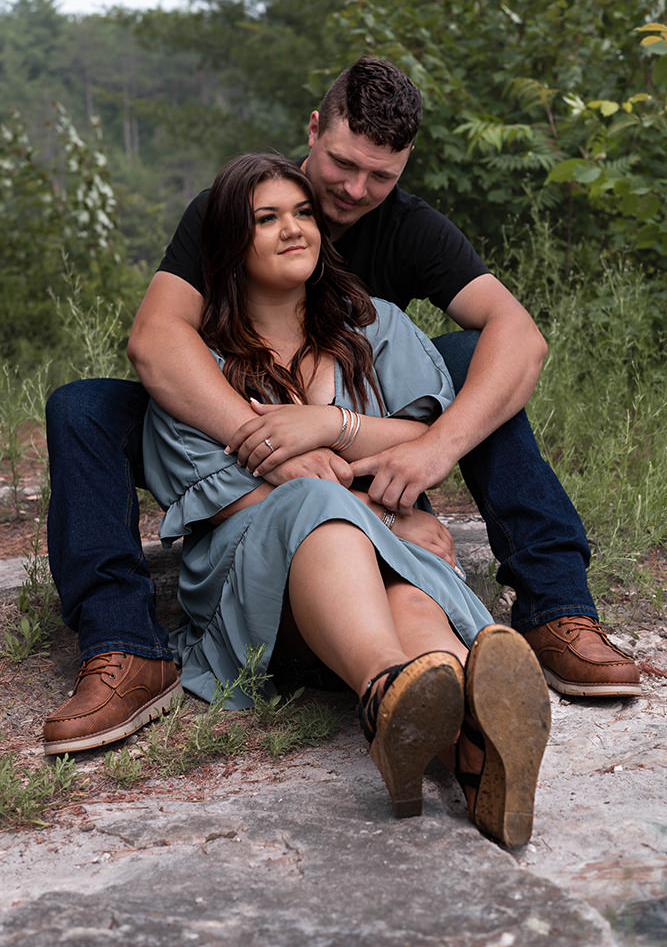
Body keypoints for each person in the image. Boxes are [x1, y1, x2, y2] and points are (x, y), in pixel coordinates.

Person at [43, 57, 639, 759]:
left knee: (476, 361)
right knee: (82, 407)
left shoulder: (405, 241)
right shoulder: (231, 207)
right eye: (342, 165)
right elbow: (155, 338)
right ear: (314, 128)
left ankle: (554, 610)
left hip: (366, 410)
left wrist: (433, 448)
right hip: (232, 404)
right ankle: (124, 646)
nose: (356, 190)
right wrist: (271, 440)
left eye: (381, 176)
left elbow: (519, 337)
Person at [142, 152, 551, 846]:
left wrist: (332, 429)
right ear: (227, 247)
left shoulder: (372, 326)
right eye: (265, 219)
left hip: (375, 562)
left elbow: (421, 438)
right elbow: (228, 506)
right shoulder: (198, 372)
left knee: (413, 600)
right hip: (264, 591)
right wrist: (357, 501)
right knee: (318, 513)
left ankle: (478, 749)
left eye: (301, 213)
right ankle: (383, 688)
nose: (293, 228)